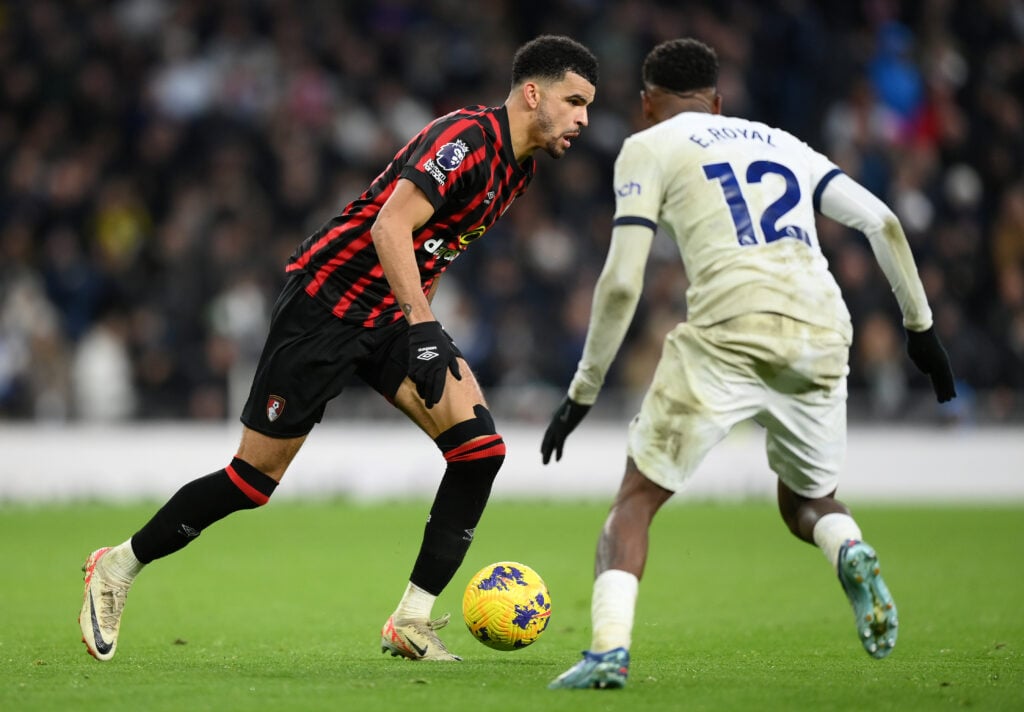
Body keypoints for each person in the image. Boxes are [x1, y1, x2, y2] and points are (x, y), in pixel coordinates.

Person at [79, 34, 598, 663]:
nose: (583, 120)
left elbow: (432, 246)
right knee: (251, 481)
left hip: (390, 319)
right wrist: (425, 328)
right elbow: (390, 226)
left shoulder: (521, 168)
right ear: (534, 93)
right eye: (574, 101)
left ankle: (411, 619)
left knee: (479, 450)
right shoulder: (465, 139)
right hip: (324, 307)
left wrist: (415, 324)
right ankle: (116, 566)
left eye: (588, 106)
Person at [541, 38, 955, 689]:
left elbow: (623, 283)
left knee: (637, 499)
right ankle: (849, 548)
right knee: (808, 501)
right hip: (822, 327)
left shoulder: (650, 146)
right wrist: (921, 331)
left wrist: (583, 390)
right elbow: (883, 223)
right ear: (720, 100)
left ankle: (608, 652)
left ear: (648, 104)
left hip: (730, 328)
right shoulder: (780, 142)